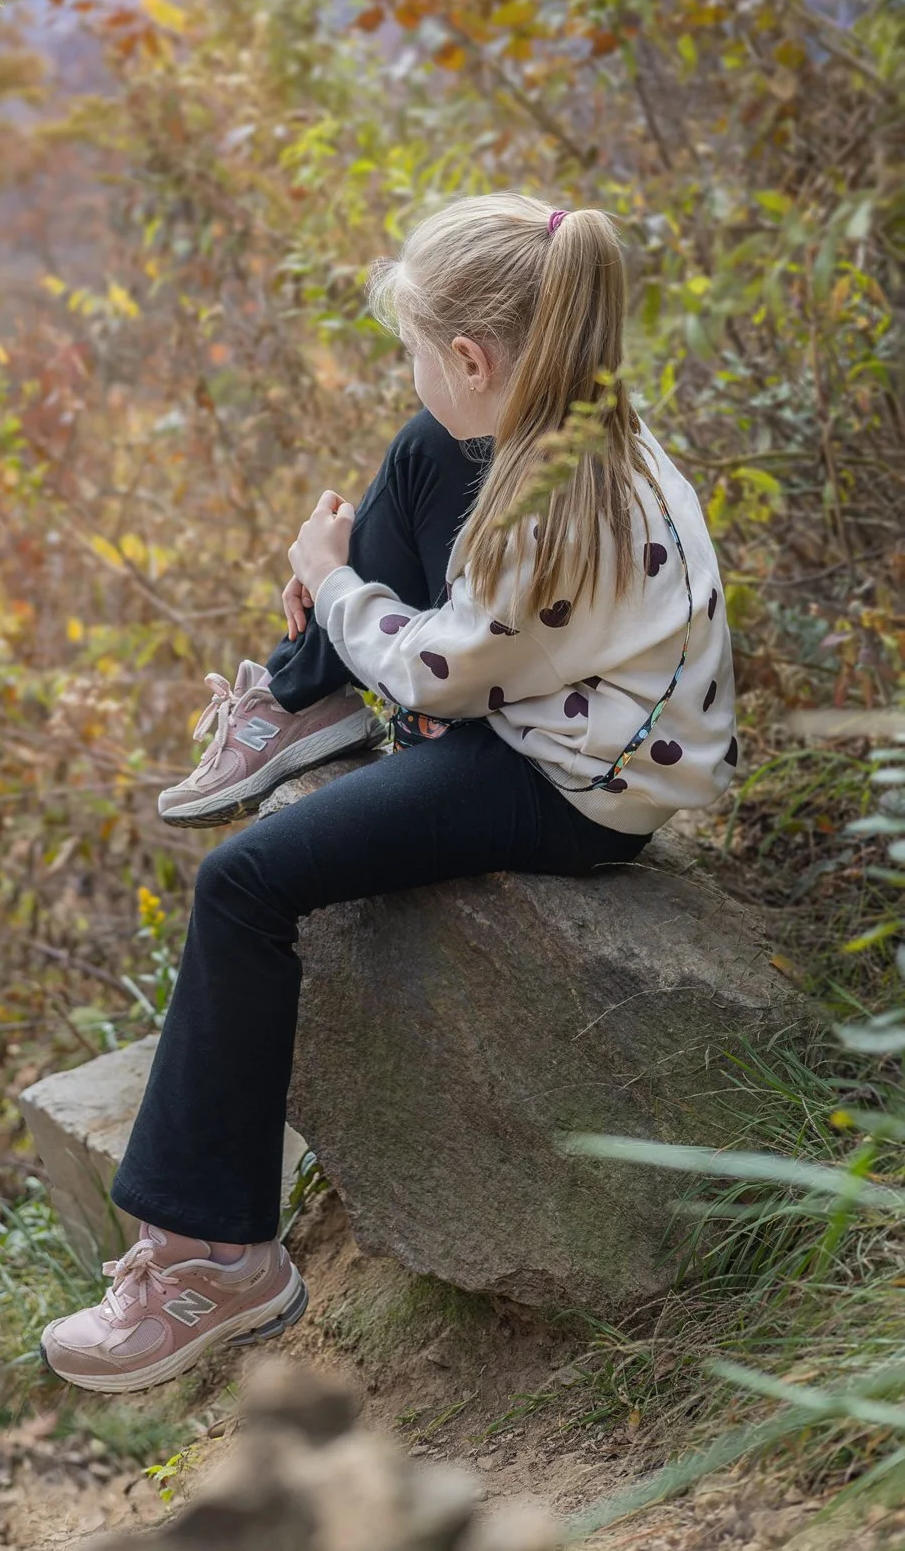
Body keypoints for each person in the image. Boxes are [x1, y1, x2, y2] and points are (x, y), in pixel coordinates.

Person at [40, 192, 738, 1394]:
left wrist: (329, 573)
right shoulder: (573, 425)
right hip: (555, 700)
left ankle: (217, 1257)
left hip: (574, 784)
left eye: (419, 351)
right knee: (423, 451)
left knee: (247, 881)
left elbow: (438, 678)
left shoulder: (541, 515)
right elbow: (457, 619)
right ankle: (305, 703)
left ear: (474, 357)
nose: (413, 371)